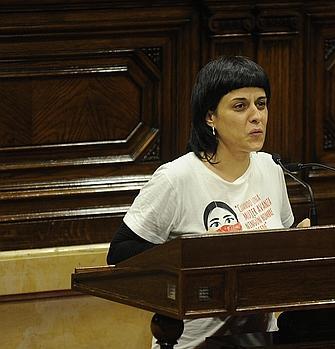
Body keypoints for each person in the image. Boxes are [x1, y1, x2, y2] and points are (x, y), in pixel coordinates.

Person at [107, 56, 307, 349]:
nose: (256, 116)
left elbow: (278, 245)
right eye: (240, 106)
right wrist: (197, 253)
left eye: (261, 104)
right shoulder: (177, 178)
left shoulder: (270, 168)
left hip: (262, 339)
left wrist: (301, 240)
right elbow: (121, 252)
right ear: (209, 116)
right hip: (192, 343)